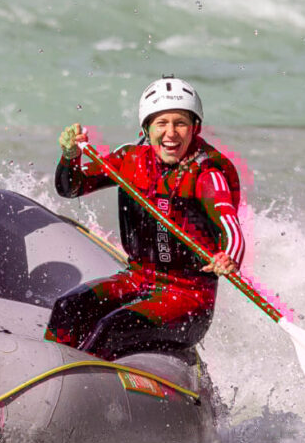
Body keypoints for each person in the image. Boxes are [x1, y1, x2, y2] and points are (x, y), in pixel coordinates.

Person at [45, 77, 245, 360]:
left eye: (181, 123)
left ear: (195, 128)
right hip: (137, 279)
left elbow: (230, 227)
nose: (171, 133)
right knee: (68, 308)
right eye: (161, 123)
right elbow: (71, 187)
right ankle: (48, 373)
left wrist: (229, 257)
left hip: (189, 298)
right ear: (146, 128)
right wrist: (70, 156)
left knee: (112, 328)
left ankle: (80, 384)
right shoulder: (130, 160)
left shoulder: (206, 174)